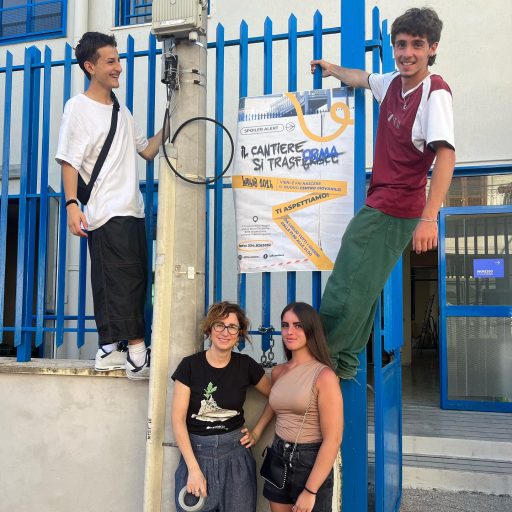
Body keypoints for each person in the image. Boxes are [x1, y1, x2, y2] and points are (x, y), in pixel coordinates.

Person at [310, 7, 456, 379]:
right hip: (384, 201)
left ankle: (319, 359)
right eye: (401, 44)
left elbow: (446, 156)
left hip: (397, 205)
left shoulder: (434, 92)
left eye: (417, 45)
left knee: (348, 280)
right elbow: (363, 77)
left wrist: (429, 217)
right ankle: (341, 363)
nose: (407, 53)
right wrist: (334, 69)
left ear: (432, 48)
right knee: (364, 285)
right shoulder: (392, 83)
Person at [56, 32, 163, 379]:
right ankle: (134, 353)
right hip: (105, 210)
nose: (119, 67)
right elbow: (69, 161)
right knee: (120, 280)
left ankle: (110, 350)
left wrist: (171, 123)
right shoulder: (78, 108)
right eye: (111, 61)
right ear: (90, 67)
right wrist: (72, 205)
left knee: (131, 280)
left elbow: (146, 150)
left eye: (118, 59)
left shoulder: (123, 110)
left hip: (133, 209)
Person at [171, 301, 272, 512]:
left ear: (239, 334)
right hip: (197, 456)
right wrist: (193, 469)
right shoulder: (189, 366)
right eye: (219, 325)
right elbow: (178, 420)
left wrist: (257, 432)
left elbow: (277, 398)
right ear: (209, 329)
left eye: (232, 327)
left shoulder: (246, 366)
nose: (225, 332)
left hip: (236, 457)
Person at [243, 302, 343, 512]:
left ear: (311, 330)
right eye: (285, 325)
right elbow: (275, 403)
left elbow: (333, 439)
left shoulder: (324, 376)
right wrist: (256, 432)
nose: (290, 332)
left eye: (298, 325)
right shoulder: (279, 371)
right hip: (277, 455)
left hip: (308, 462)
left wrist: (311, 490)